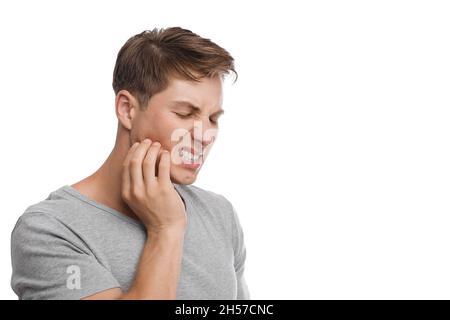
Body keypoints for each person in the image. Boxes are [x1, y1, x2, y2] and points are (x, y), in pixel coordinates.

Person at [10, 27, 250, 300]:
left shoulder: (219, 214)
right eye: (185, 114)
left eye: (213, 119)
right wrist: (165, 229)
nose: (204, 135)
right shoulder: (50, 230)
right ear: (127, 109)